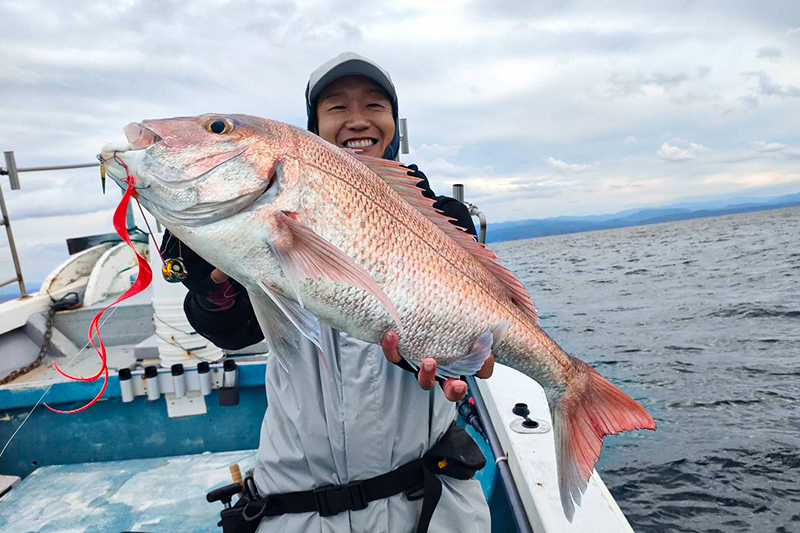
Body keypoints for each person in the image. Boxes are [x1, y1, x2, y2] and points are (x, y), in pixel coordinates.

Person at [161, 52, 492, 532]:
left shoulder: (441, 221)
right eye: (336, 108)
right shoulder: (267, 213)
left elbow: (457, 338)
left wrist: (450, 364)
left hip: (427, 504)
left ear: (394, 123)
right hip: (294, 506)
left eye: (375, 106)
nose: (358, 120)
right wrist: (215, 286)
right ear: (312, 129)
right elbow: (231, 333)